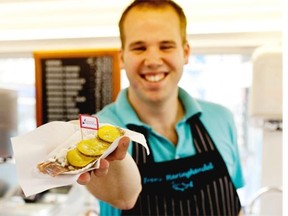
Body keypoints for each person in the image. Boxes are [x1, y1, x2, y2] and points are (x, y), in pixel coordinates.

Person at [77, 0, 245, 215]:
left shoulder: (221, 119)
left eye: (166, 46)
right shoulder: (97, 132)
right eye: (139, 48)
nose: (153, 60)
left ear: (185, 53)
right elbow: (122, 199)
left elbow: (234, 206)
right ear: (122, 58)